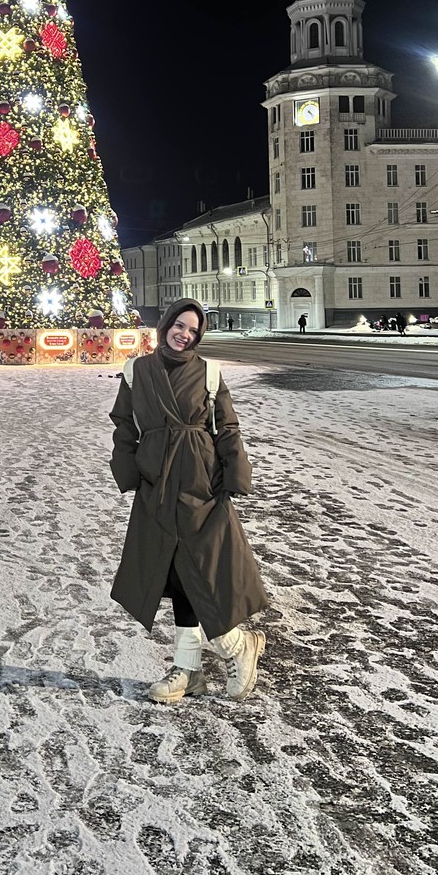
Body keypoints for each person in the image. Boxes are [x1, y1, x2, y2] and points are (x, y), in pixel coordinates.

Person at [108, 298, 268, 706]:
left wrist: (235, 473)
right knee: (173, 570)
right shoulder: (136, 371)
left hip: (200, 479)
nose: (184, 334)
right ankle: (189, 669)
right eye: (179, 325)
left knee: (201, 567)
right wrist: (129, 472)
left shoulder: (209, 373)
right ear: (164, 326)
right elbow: (125, 426)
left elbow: (227, 427)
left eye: (193, 330)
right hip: (157, 481)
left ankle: (233, 645)